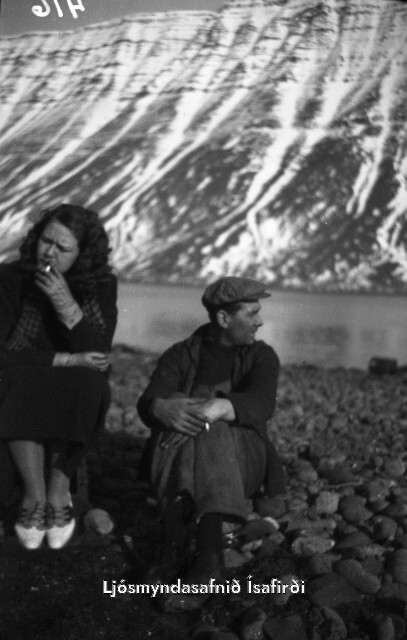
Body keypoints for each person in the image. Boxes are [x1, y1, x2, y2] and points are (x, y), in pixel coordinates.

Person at [137, 276, 285, 611]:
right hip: (185, 459)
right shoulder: (180, 354)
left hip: (241, 462)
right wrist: (160, 408)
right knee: (175, 402)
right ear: (223, 318)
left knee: (209, 422)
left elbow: (263, 403)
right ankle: (199, 553)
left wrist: (215, 408)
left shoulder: (262, 356)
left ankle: (193, 551)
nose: (260, 321)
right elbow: (148, 401)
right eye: (252, 314)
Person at [0, 204, 117, 550]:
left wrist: (66, 305)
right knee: (20, 379)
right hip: (21, 372)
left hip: (72, 381)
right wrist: (65, 359)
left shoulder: (101, 285)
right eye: (45, 241)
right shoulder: (11, 278)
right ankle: (34, 496)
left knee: (90, 382)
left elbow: (99, 355)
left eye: (62, 248)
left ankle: (58, 492)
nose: (49, 252)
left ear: (82, 254)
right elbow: (3, 353)